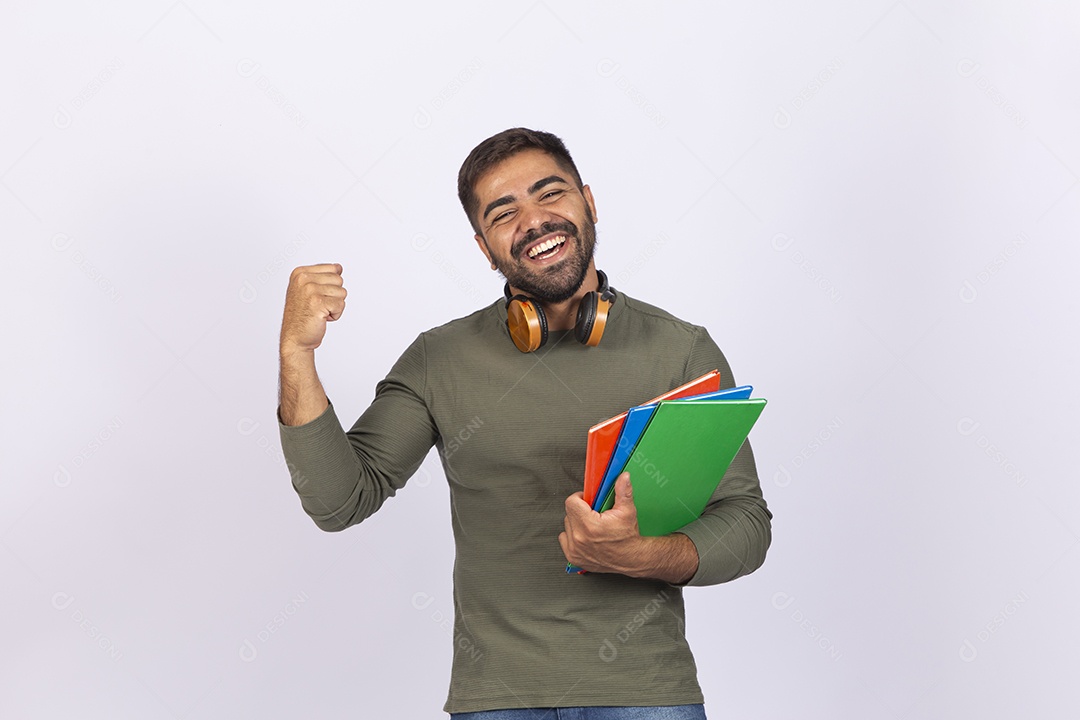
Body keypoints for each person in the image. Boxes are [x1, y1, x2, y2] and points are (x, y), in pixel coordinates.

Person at [277, 128, 772, 719]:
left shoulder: (681, 350)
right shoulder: (441, 358)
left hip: (647, 697)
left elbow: (745, 526)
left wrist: (637, 555)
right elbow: (339, 501)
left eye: (551, 194)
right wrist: (295, 355)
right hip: (497, 702)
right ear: (485, 249)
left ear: (589, 203)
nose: (534, 221)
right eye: (504, 212)